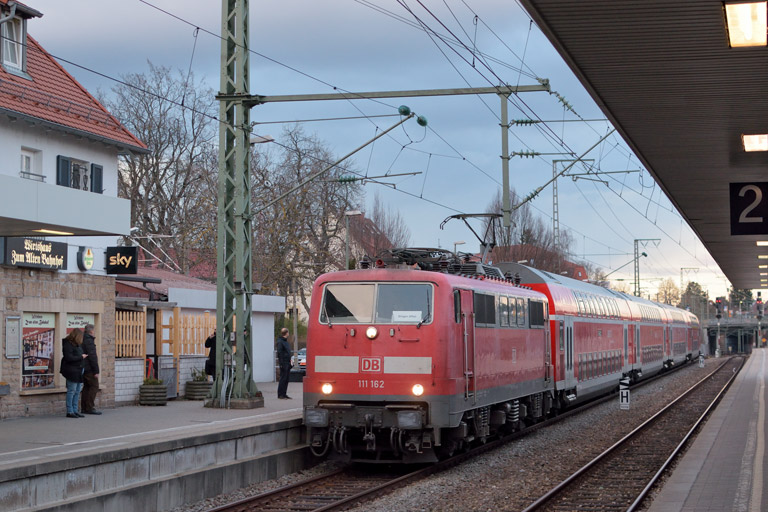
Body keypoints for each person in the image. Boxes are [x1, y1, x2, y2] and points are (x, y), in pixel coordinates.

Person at [60, 328, 86, 418]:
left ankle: (75, 410)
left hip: (79, 369)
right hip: (72, 370)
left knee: (78, 391)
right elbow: (68, 357)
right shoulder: (68, 344)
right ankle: (70, 411)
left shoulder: (78, 345)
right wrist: (81, 357)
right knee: (72, 390)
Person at [81, 324, 101, 415]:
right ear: (91, 331)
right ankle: (90, 407)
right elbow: (92, 356)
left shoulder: (82, 338)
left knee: (86, 387)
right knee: (94, 386)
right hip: (89, 368)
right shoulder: (89, 340)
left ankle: (84, 407)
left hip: (83, 367)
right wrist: (96, 371)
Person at [276, 328, 292, 399]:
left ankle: (284, 393)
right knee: (283, 378)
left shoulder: (285, 341)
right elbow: (280, 353)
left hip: (287, 362)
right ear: (286, 333)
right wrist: (281, 363)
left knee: (286, 378)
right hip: (284, 362)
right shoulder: (280, 342)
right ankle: (280, 394)